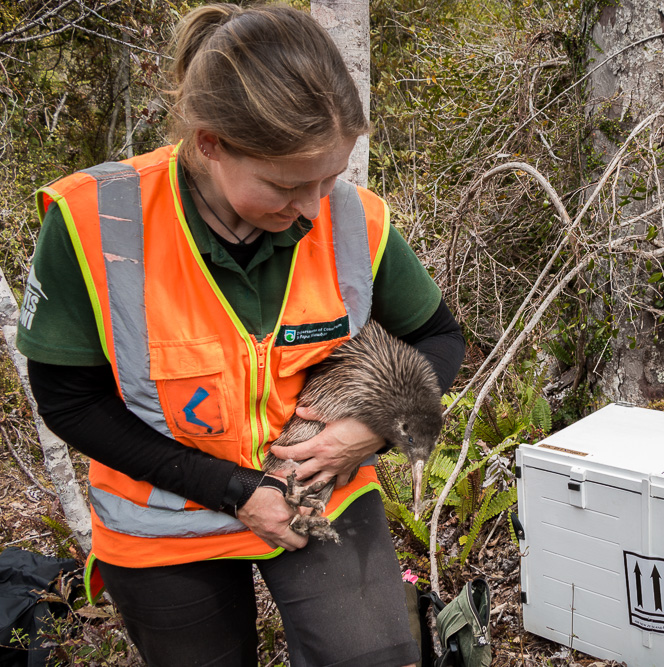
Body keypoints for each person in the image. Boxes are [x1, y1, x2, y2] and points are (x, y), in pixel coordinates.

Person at [15, 3, 465, 666]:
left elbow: (439, 338)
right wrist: (237, 490)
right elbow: (69, 399)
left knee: (372, 654)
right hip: (164, 513)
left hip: (319, 487)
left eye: (329, 178)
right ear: (209, 144)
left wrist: (372, 428)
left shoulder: (348, 218)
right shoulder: (96, 222)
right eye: (287, 185)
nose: (314, 208)